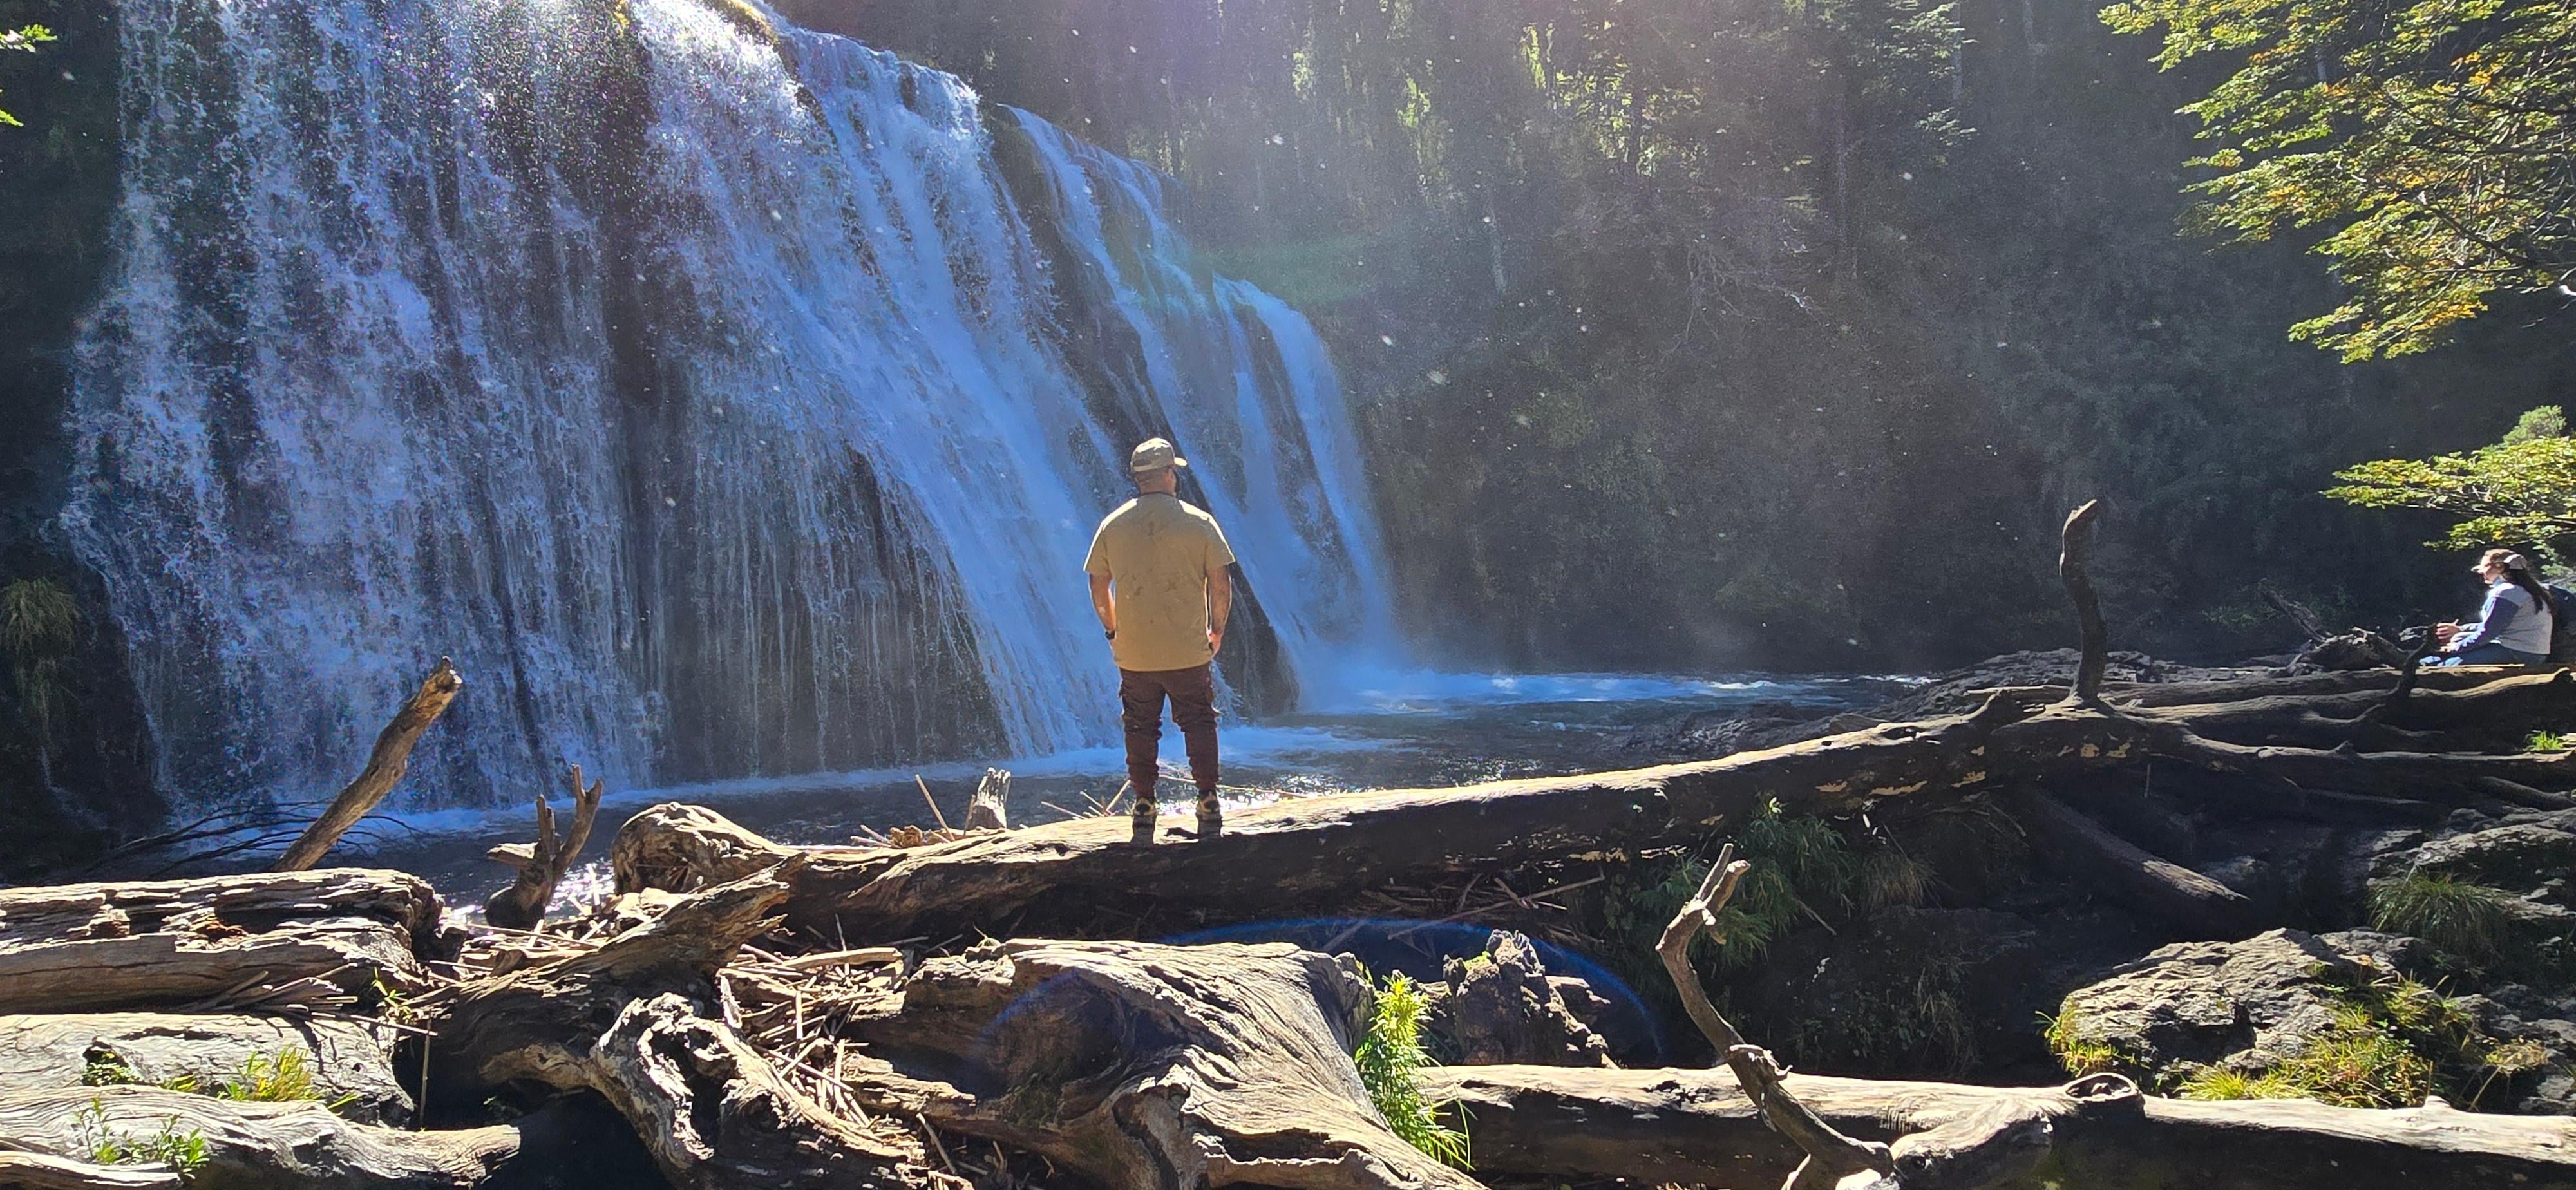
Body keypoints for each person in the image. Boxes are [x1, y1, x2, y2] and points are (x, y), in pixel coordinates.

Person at [1085, 437, 1236, 844]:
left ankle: (1144, 804)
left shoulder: (1112, 526)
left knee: (1139, 726)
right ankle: (1208, 800)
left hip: (1135, 654)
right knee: (1199, 721)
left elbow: (1098, 586)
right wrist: (1217, 630)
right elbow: (1221, 585)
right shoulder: (1200, 523)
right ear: (1170, 475)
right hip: (1188, 649)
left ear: (1139, 479)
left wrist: (1113, 630)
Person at [2427, 549, 2555, 666]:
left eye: (2484, 567)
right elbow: (2499, 625)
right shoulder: (2532, 590)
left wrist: (2454, 648)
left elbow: (2488, 632)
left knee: (2437, 664)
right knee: (2456, 643)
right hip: (2534, 654)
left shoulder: (2506, 592)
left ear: (2500, 568)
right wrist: (2461, 630)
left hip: (2515, 653)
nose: (2481, 572)